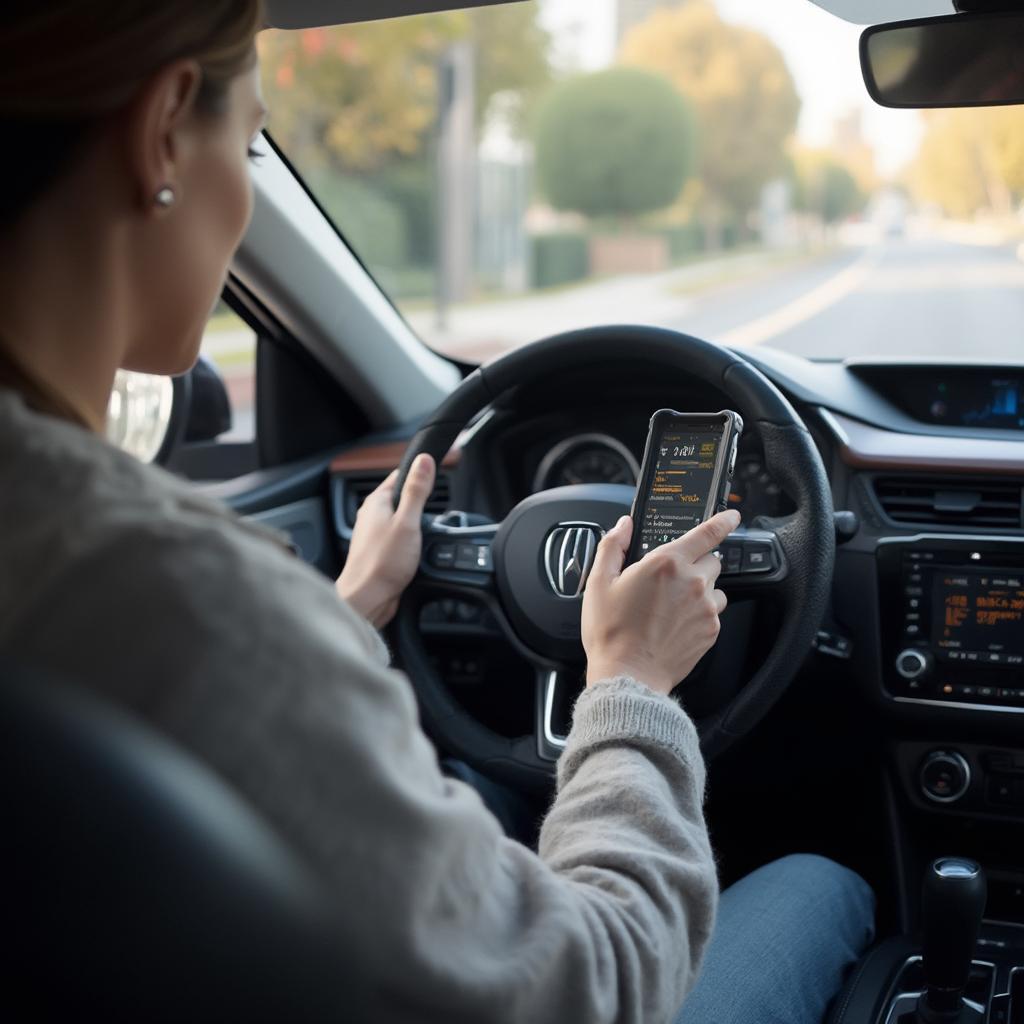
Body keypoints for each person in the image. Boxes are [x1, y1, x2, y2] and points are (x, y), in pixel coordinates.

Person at [0, 4, 874, 1022]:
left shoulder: (91, 566)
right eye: (246, 145)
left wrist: (355, 598)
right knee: (825, 880)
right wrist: (632, 681)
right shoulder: (182, 591)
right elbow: (603, 981)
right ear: (163, 129)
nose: (243, 187)